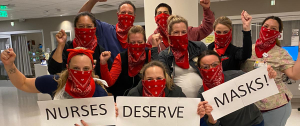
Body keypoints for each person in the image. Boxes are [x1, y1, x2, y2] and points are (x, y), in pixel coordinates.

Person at [241, 16, 300, 126]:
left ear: (279, 33)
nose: (268, 30)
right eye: (266, 26)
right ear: (261, 28)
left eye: (273, 28)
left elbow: (295, 75)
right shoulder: (249, 49)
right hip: (250, 107)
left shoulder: (281, 53)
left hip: (275, 107)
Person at [197, 50, 277, 126]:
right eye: (206, 67)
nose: (211, 69)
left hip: (254, 122)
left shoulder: (237, 76)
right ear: (199, 69)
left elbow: (259, 84)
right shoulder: (202, 93)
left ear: (220, 64)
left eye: (215, 65)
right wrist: (211, 117)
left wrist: (269, 75)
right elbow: (210, 123)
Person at [1, 47, 108, 99]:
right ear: (68, 68)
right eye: (75, 68)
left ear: (92, 68)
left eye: (85, 69)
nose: (81, 72)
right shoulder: (55, 83)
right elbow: (23, 83)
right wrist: (9, 65)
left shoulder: (99, 92)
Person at [100, 25, 159, 97]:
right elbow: (108, 83)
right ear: (128, 43)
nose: (137, 45)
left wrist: (155, 48)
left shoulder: (150, 55)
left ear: (145, 42)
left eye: (140, 42)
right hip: (123, 99)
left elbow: (159, 76)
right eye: (133, 42)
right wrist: (103, 63)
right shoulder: (121, 57)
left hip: (145, 99)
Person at [48, 12, 112, 77]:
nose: (85, 30)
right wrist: (61, 45)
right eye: (81, 26)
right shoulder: (66, 48)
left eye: (89, 26)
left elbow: (107, 78)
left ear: (95, 28)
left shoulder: (101, 52)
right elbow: (53, 71)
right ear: (75, 28)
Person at [158, 15, 207, 98]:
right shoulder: (164, 55)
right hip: (180, 102)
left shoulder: (199, 47)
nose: (180, 35)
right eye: (176, 32)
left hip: (204, 98)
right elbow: (162, 80)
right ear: (169, 34)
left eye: (183, 32)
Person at [149, 0, 215, 53]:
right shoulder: (152, 39)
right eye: (159, 13)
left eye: (165, 13)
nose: (162, 15)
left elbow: (206, 28)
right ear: (155, 18)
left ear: (170, 16)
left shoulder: (188, 31)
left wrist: (206, 9)